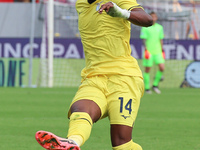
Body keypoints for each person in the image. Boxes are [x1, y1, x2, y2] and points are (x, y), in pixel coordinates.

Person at [35, 0, 152, 150]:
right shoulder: (81, 4)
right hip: (94, 76)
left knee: (121, 143)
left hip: (124, 77)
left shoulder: (117, 1)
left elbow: (147, 20)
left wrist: (120, 12)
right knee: (80, 109)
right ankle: (72, 143)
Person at [140, 11, 165, 94]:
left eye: (155, 16)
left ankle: (155, 85)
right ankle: (147, 88)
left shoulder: (160, 27)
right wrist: (146, 50)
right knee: (147, 70)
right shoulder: (145, 27)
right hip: (149, 52)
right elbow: (144, 39)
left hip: (158, 51)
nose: (153, 18)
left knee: (162, 67)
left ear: (156, 18)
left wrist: (162, 50)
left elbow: (160, 39)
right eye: (152, 16)